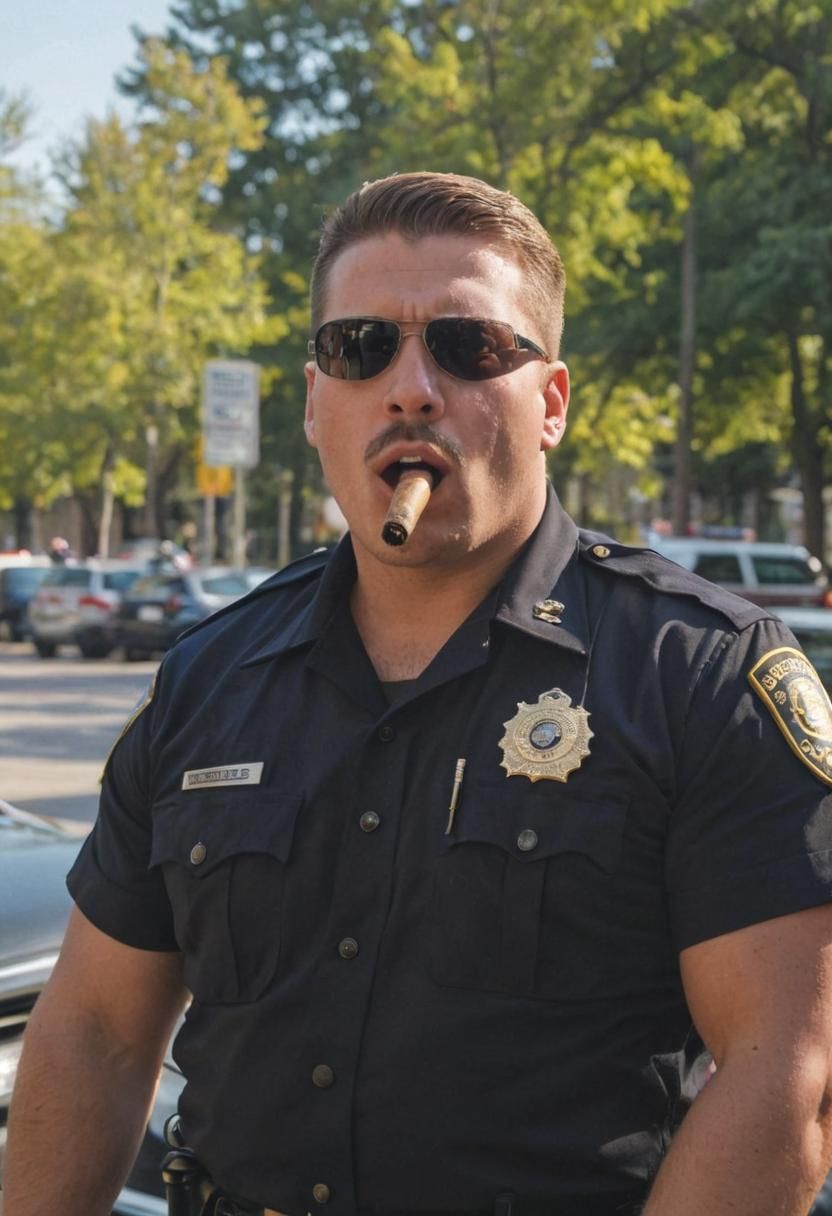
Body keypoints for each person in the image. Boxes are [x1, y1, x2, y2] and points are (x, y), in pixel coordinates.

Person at [6, 171, 832, 1216]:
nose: (410, 389)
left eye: (467, 346)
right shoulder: (209, 677)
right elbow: (95, 1031)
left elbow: (785, 1074)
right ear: (316, 402)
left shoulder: (698, 672)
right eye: (360, 347)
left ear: (551, 403)